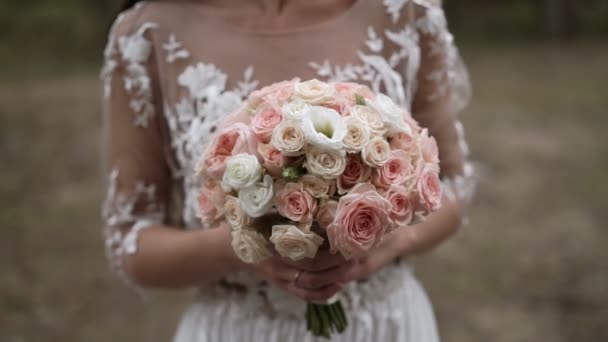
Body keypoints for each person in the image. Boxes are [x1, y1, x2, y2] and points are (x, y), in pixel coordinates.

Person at [101, 0, 475, 340]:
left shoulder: (405, 11)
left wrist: (390, 241)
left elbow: (455, 185)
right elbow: (131, 242)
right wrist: (240, 247)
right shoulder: (147, 31)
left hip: (385, 326)